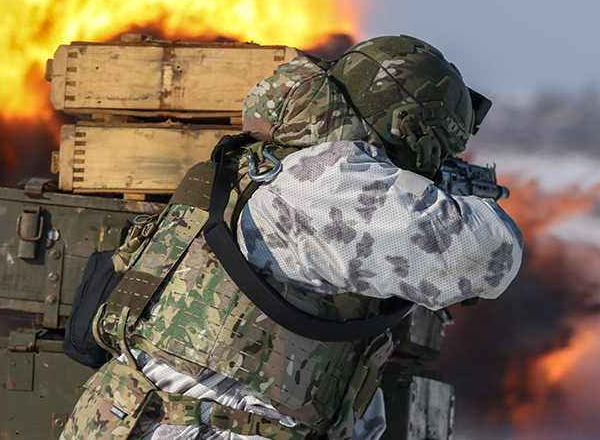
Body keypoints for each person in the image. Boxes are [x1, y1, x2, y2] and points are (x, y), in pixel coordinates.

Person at [61, 35, 523, 440]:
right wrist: (433, 190)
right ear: (407, 130)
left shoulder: (271, 165)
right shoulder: (322, 180)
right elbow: (487, 256)